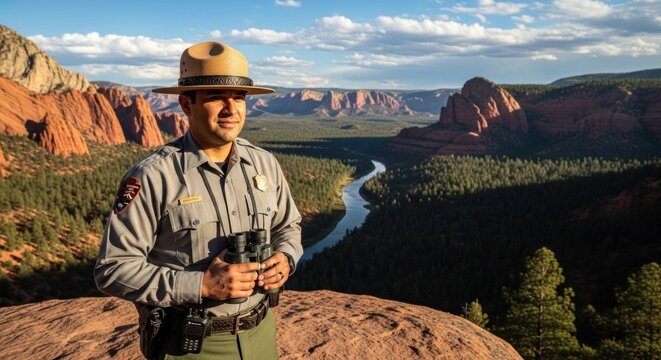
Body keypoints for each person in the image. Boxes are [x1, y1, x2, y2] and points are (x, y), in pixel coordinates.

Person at [94, 41, 303, 359]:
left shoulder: (264, 164)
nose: (231, 109)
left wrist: (286, 258)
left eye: (239, 98)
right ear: (186, 104)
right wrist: (200, 286)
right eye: (216, 97)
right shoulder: (153, 176)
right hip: (190, 345)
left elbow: (288, 225)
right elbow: (113, 268)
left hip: (261, 334)